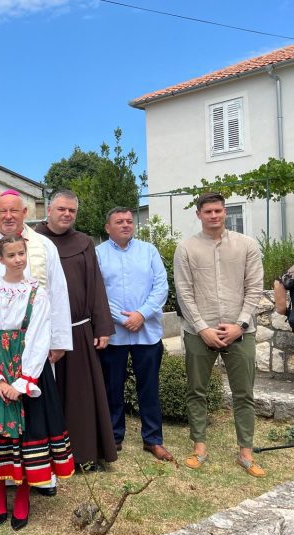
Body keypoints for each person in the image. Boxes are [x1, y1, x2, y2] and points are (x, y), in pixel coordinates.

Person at [0, 189, 72, 498]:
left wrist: (59, 339)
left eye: (14, 210)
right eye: (2, 211)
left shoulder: (44, 246)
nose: (8, 216)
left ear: (24, 213)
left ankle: (40, 475)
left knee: (36, 412)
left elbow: (58, 293)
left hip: (34, 348)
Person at [0, 234, 75, 531]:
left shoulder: (37, 293)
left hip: (28, 368)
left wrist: (22, 382)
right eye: (12, 255)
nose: (18, 259)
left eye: (21, 253)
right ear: (0, 258)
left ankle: (22, 495)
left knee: (29, 432)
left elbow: (39, 336)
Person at [174, 192, 264, 477]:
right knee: (196, 390)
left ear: (225, 212)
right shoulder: (186, 248)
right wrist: (202, 328)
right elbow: (184, 291)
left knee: (244, 393)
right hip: (199, 332)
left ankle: (246, 452)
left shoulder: (247, 245)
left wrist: (241, 325)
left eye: (218, 211)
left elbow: (254, 287)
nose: (214, 215)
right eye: (208, 211)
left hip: (240, 332)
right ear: (199, 214)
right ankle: (199, 447)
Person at [35, 190, 117, 470]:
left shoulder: (84, 243)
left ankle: (83, 454)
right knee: (47, 394)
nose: (67, 214)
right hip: (42, 332)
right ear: (49, 209)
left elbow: (95, 284)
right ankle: (45, 455)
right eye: (61, 209)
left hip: (78, 330)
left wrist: (102, 326)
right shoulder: (33, 241)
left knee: (81, 396)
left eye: (72, 210)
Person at [96, 207, 172, 461]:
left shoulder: (149, 251)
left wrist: (142, 314)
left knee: (149, 388)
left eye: (129, 221)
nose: (126, 225)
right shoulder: (98, 254)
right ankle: (113, 437)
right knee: (112, 388)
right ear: (108, 227)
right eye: (119, 221)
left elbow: (161, 286)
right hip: (113, 334)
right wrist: (122, 319)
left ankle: (153, 439)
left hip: (147, 332)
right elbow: (96, 293)